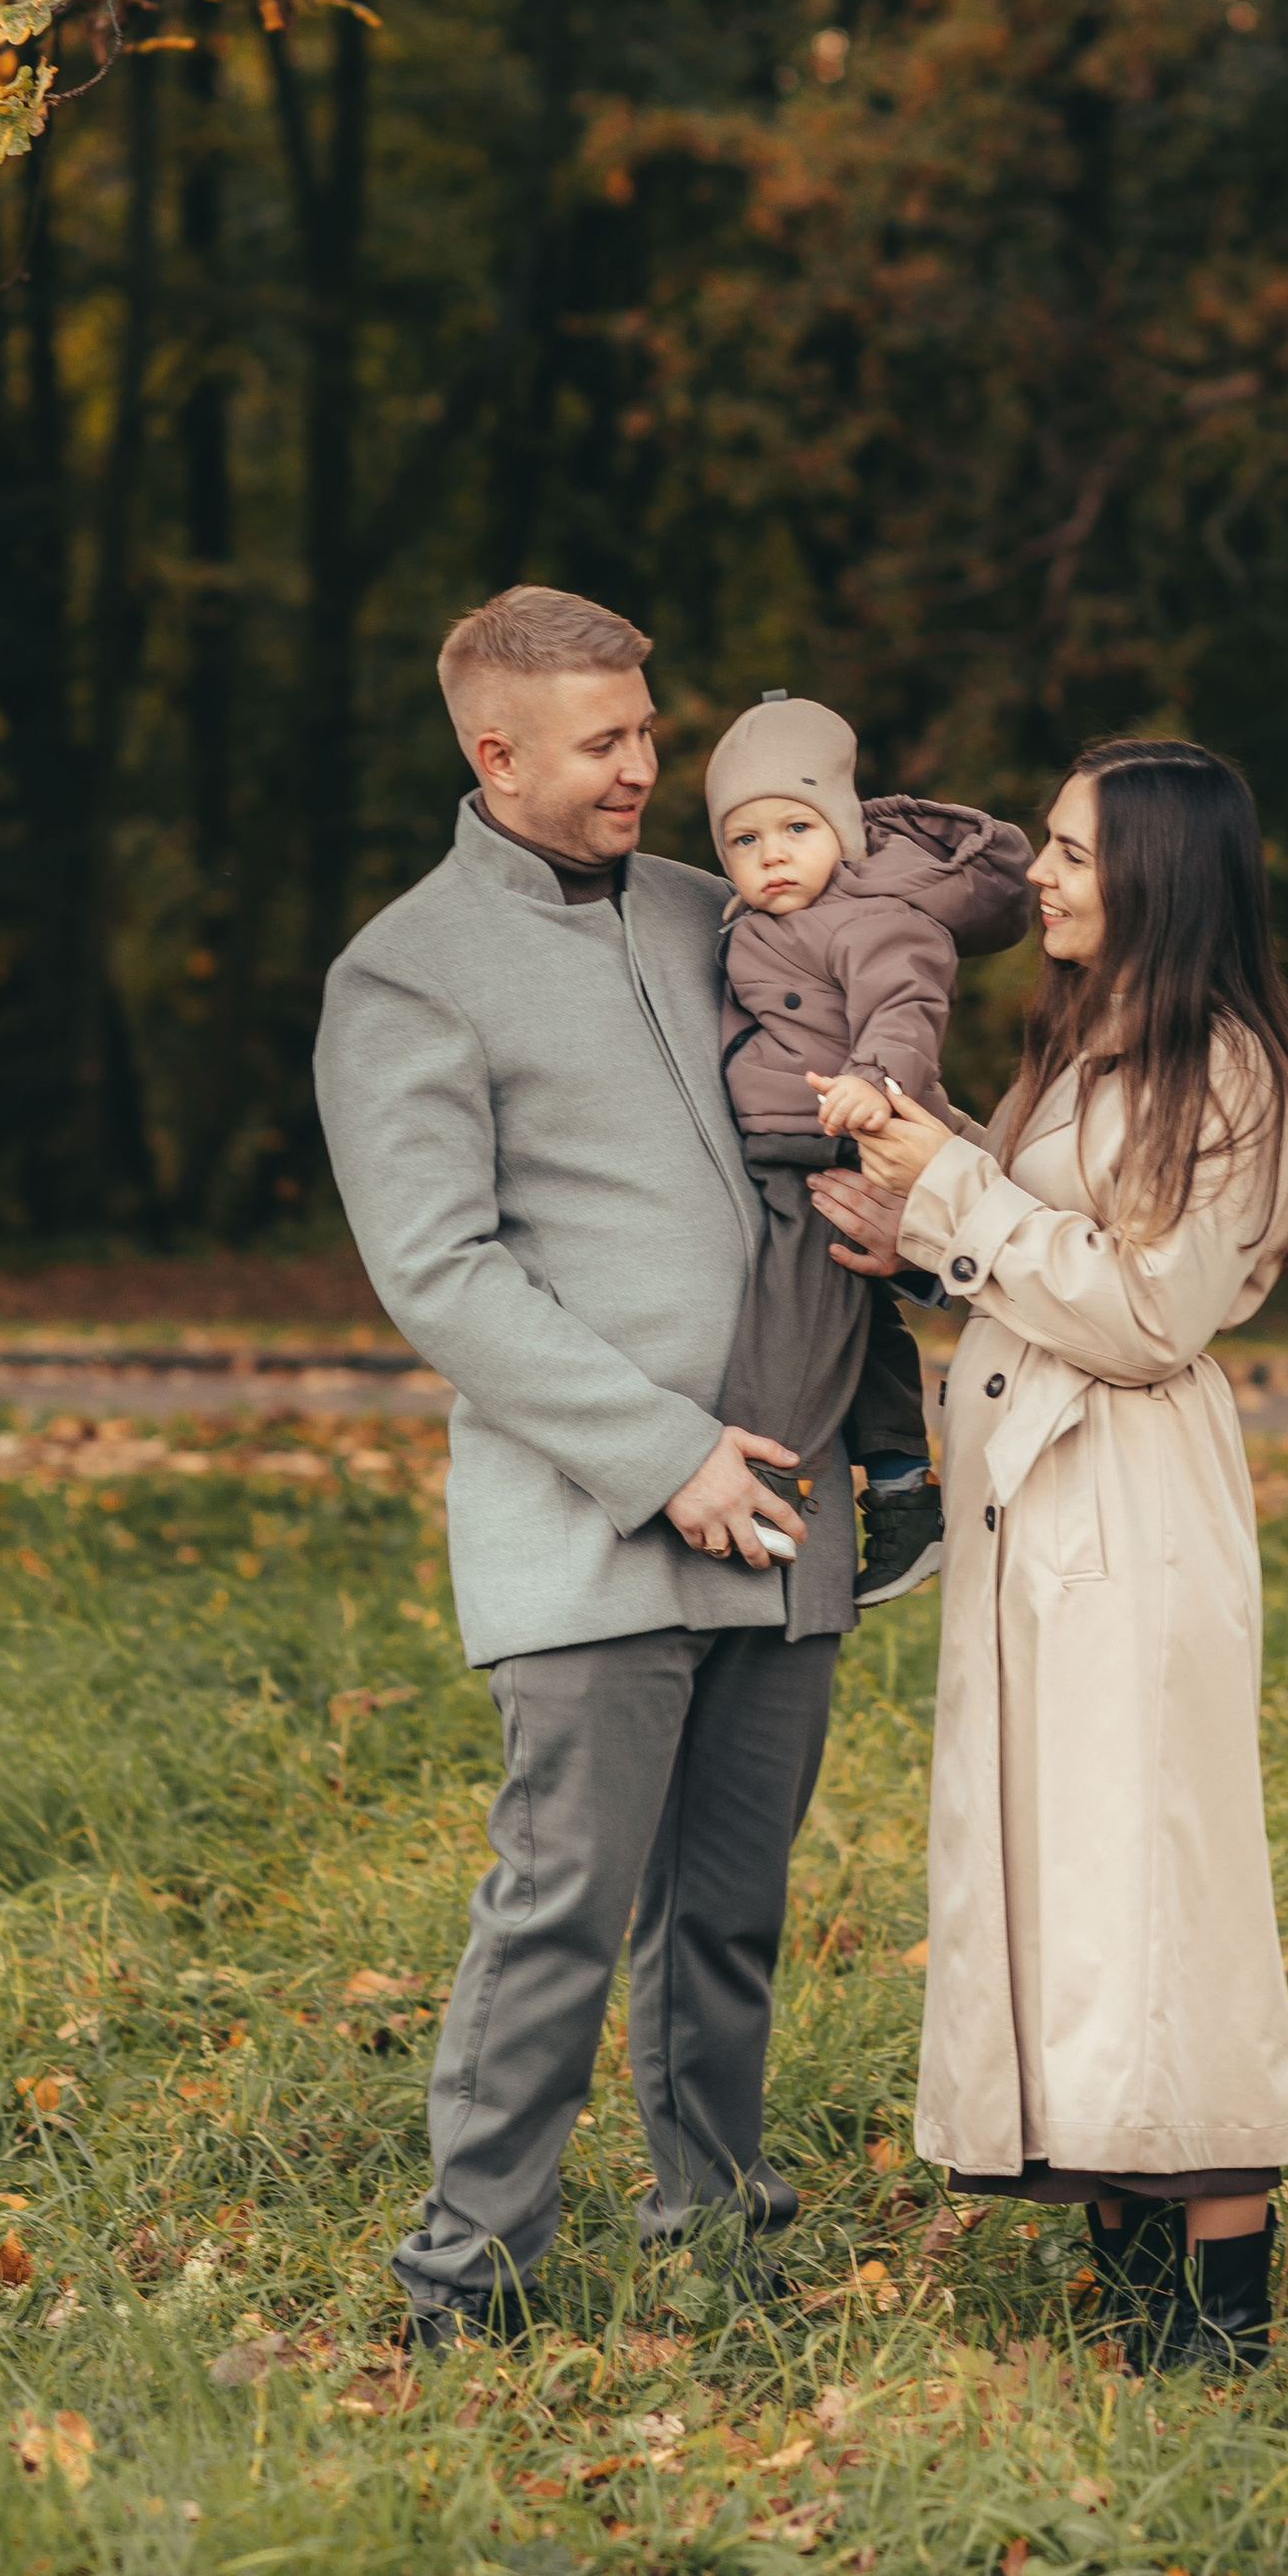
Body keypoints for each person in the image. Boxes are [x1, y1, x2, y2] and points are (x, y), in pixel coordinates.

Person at [313, 586, 853, 2347]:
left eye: (646, 729)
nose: (645, 768)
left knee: (730, 1916)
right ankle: (464, 2280)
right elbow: (440, 1270)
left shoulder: (723, 915)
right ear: (497, 755)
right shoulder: (405, 971)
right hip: (593, 1519)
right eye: (606, 743)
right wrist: (659, 1454)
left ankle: (722, 2234)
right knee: (561, 1907)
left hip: (786, 1496)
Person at [814, 737, 1288, 2373]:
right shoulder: (1087, 1048)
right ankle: (1126, 2268)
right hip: (1039, 1508)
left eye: (1072, 853)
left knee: (1162, 1885)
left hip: (1134, 1509)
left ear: (1160, 880)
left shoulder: (1223, 1071)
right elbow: (1040, 1262)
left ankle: (1220, 2307)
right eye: (1045, 845)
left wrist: (950, 1192)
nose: (1037, 875)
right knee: (1075, 1881)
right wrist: (915, 1228)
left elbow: (1145, 1313)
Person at [704, 687, 1033, 1610]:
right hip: (790, 1143)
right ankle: (898, 1489)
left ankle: (766, 1479)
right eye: (744, 839)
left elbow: (908, 1000)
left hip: (844, 1136)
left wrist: (874, 1079)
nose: (771, 854)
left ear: (843, 831)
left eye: (795, 827)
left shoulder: (870, 912)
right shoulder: (752, 922)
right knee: (862, 1329)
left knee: (786, 1319)